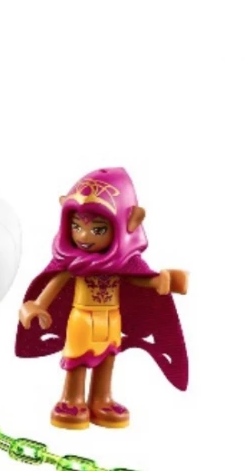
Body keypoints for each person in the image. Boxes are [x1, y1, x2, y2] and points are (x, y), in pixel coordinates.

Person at [16, 168, 189, 429]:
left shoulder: (124, 265)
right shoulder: (73, 265)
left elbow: (139, 280)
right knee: (77, 359)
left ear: (129, 222)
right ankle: (72, 399)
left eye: (97, 229)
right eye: (77, 226)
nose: (84, 236)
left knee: (107, 357)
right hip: (82, 318)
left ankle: (101, 399)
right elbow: (54, 284)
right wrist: (36, 306)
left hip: (112, 319)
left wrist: (161, 281)